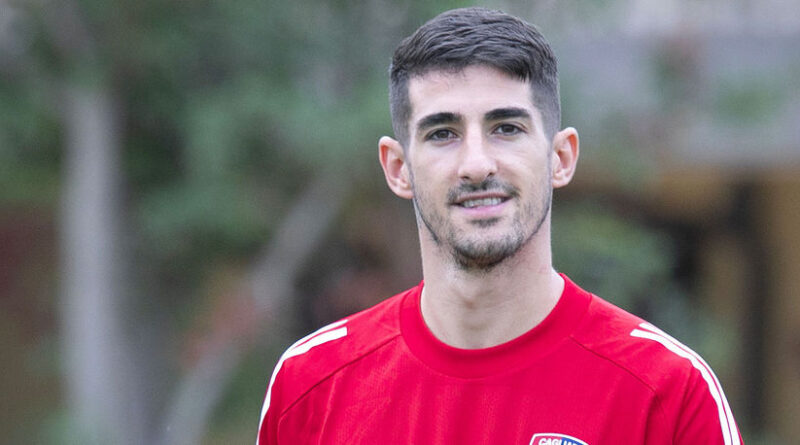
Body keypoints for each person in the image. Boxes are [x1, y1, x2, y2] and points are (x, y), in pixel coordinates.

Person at [256, 7, 743, 445]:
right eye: (442, 133)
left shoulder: (668, 392)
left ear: (560, 157)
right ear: (397, 168)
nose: (475, 164)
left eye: (506, 128)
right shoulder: (311, 385)